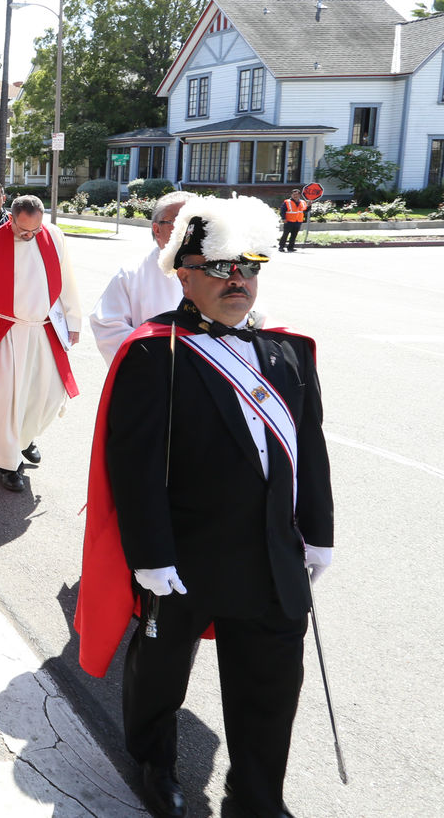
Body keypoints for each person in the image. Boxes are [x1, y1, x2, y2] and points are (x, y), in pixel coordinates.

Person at [76, 195, 334, 818]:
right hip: (184, 555)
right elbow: (133, 466)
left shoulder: (289, 353)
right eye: (219, 267)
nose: (237, 280)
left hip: (272, 555)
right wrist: (150, 555)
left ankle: (256, 794)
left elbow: (311, 450)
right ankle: (154, 761)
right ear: (182, 272)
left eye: (248, 267)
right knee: (161, 675)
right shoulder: (152, 352)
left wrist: (318, 533)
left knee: (271, 686)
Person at [0, 195, 81, 493]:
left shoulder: (53, 235)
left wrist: (74, 321)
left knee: (46, 393)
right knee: (6, 398)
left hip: (45, 330)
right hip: (7, 331)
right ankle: (7, 462)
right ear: (11, 219)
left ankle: (25, 436)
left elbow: (67, 280)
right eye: (23, 231)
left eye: (35, 230)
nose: (29, 236)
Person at [89, 192, 192, 367]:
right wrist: (155, 356)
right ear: (157, 229)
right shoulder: (132, 274)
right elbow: (107, 326)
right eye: (180, 223)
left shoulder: (221, 271)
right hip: (156, 374)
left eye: (194, 223)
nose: (189, 231)